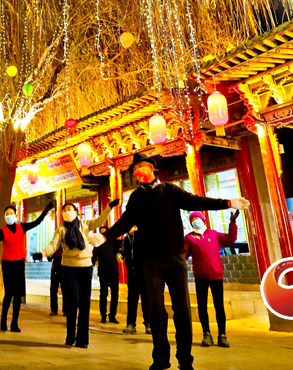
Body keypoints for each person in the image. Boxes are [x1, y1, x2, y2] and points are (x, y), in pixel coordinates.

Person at [106, 153, 249, 370]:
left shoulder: (171, 190)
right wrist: (105, 236)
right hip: (149, 261)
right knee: (155, 310)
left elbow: (196, 201)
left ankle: (185, 359)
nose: (138, 171)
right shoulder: (136, 197)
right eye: (135, 169)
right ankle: (160, 359)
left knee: (182, 309)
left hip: (175, 259)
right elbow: (125, 222)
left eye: (142, 166)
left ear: (152, 168)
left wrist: (227, 203)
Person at [41, 200, 117, 348]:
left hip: (86, 267)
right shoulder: (61, 229)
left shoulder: (84, 224)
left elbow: (99, 220)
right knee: (73, 301)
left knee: (85, 303)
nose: (67, 212)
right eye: (65, 210)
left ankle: (82, 340)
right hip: (69, 268)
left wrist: (109, 207)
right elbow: (53, 245)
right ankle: (70, 337)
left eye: (70, 209)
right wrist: (43, 253)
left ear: (76, 212)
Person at [0, 201, 54, 332]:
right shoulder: (2, 232)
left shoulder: (22, 227)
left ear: (15, 215)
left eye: (11, 213)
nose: (9, 215)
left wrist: (46, 210)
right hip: (7, 264)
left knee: (18, 295)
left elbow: (36, 222)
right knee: (9, 293)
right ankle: (3, 321)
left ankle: (14, 323)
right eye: (7, 214)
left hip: (19, 264)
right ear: (4, 217)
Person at [185, 210, 238, 349]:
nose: (196, 221)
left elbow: (230, 239)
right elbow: (183, 255)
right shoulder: (189, 238)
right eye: (193, 220)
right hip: (200, 277)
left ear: (203, 220)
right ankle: (206, 334)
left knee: (219, 306)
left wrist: (232, 223)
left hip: (216, 276)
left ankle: (222, 335)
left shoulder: (214, 234)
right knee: (202, 306)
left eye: (197, 218)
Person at [119, 224, 149, 335]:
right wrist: (119, 254)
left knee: (146, 299)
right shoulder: (126, 239)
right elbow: (124, 251)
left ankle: (149, 323)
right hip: (132, 274)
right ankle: (130, 324)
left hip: (144, 274)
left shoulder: (143, 238)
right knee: (132, 300)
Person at [94, 225, 122, 325]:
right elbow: (94, 256)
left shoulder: (114, 242)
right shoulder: (98, 244)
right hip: (103, 272)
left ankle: (112, 316)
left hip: (114, 272)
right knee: (104, 294)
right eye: (101, 232)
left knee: (115, 294)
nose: (103, 234)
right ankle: (103, 316)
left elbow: (124, 245)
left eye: (105, 232)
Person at [49, 247, 63, 316]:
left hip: (64, 269)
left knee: (66, 290)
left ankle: (66, 310)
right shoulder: (54, 246)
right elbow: (49, 258)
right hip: (55, 269)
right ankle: (54, 309)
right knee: (53, 290)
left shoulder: (66, 245)